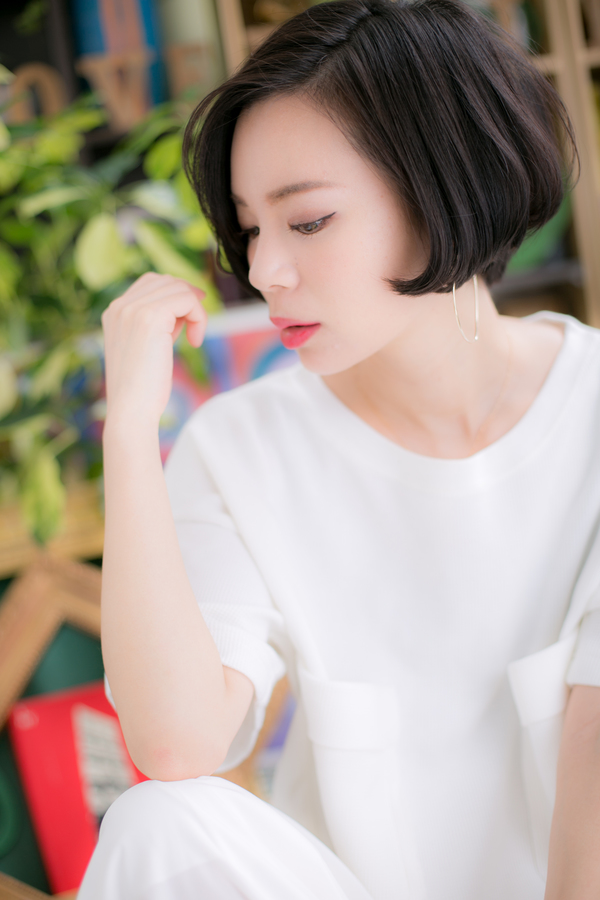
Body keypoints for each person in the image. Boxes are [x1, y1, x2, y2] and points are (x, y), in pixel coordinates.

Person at [77, 1, 600, 898]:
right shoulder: (241, 445)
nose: (263, 271)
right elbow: (177, 744)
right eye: (250, 227)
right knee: (158, 821)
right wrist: (129, 428)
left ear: (445, 185)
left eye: (308, 221)